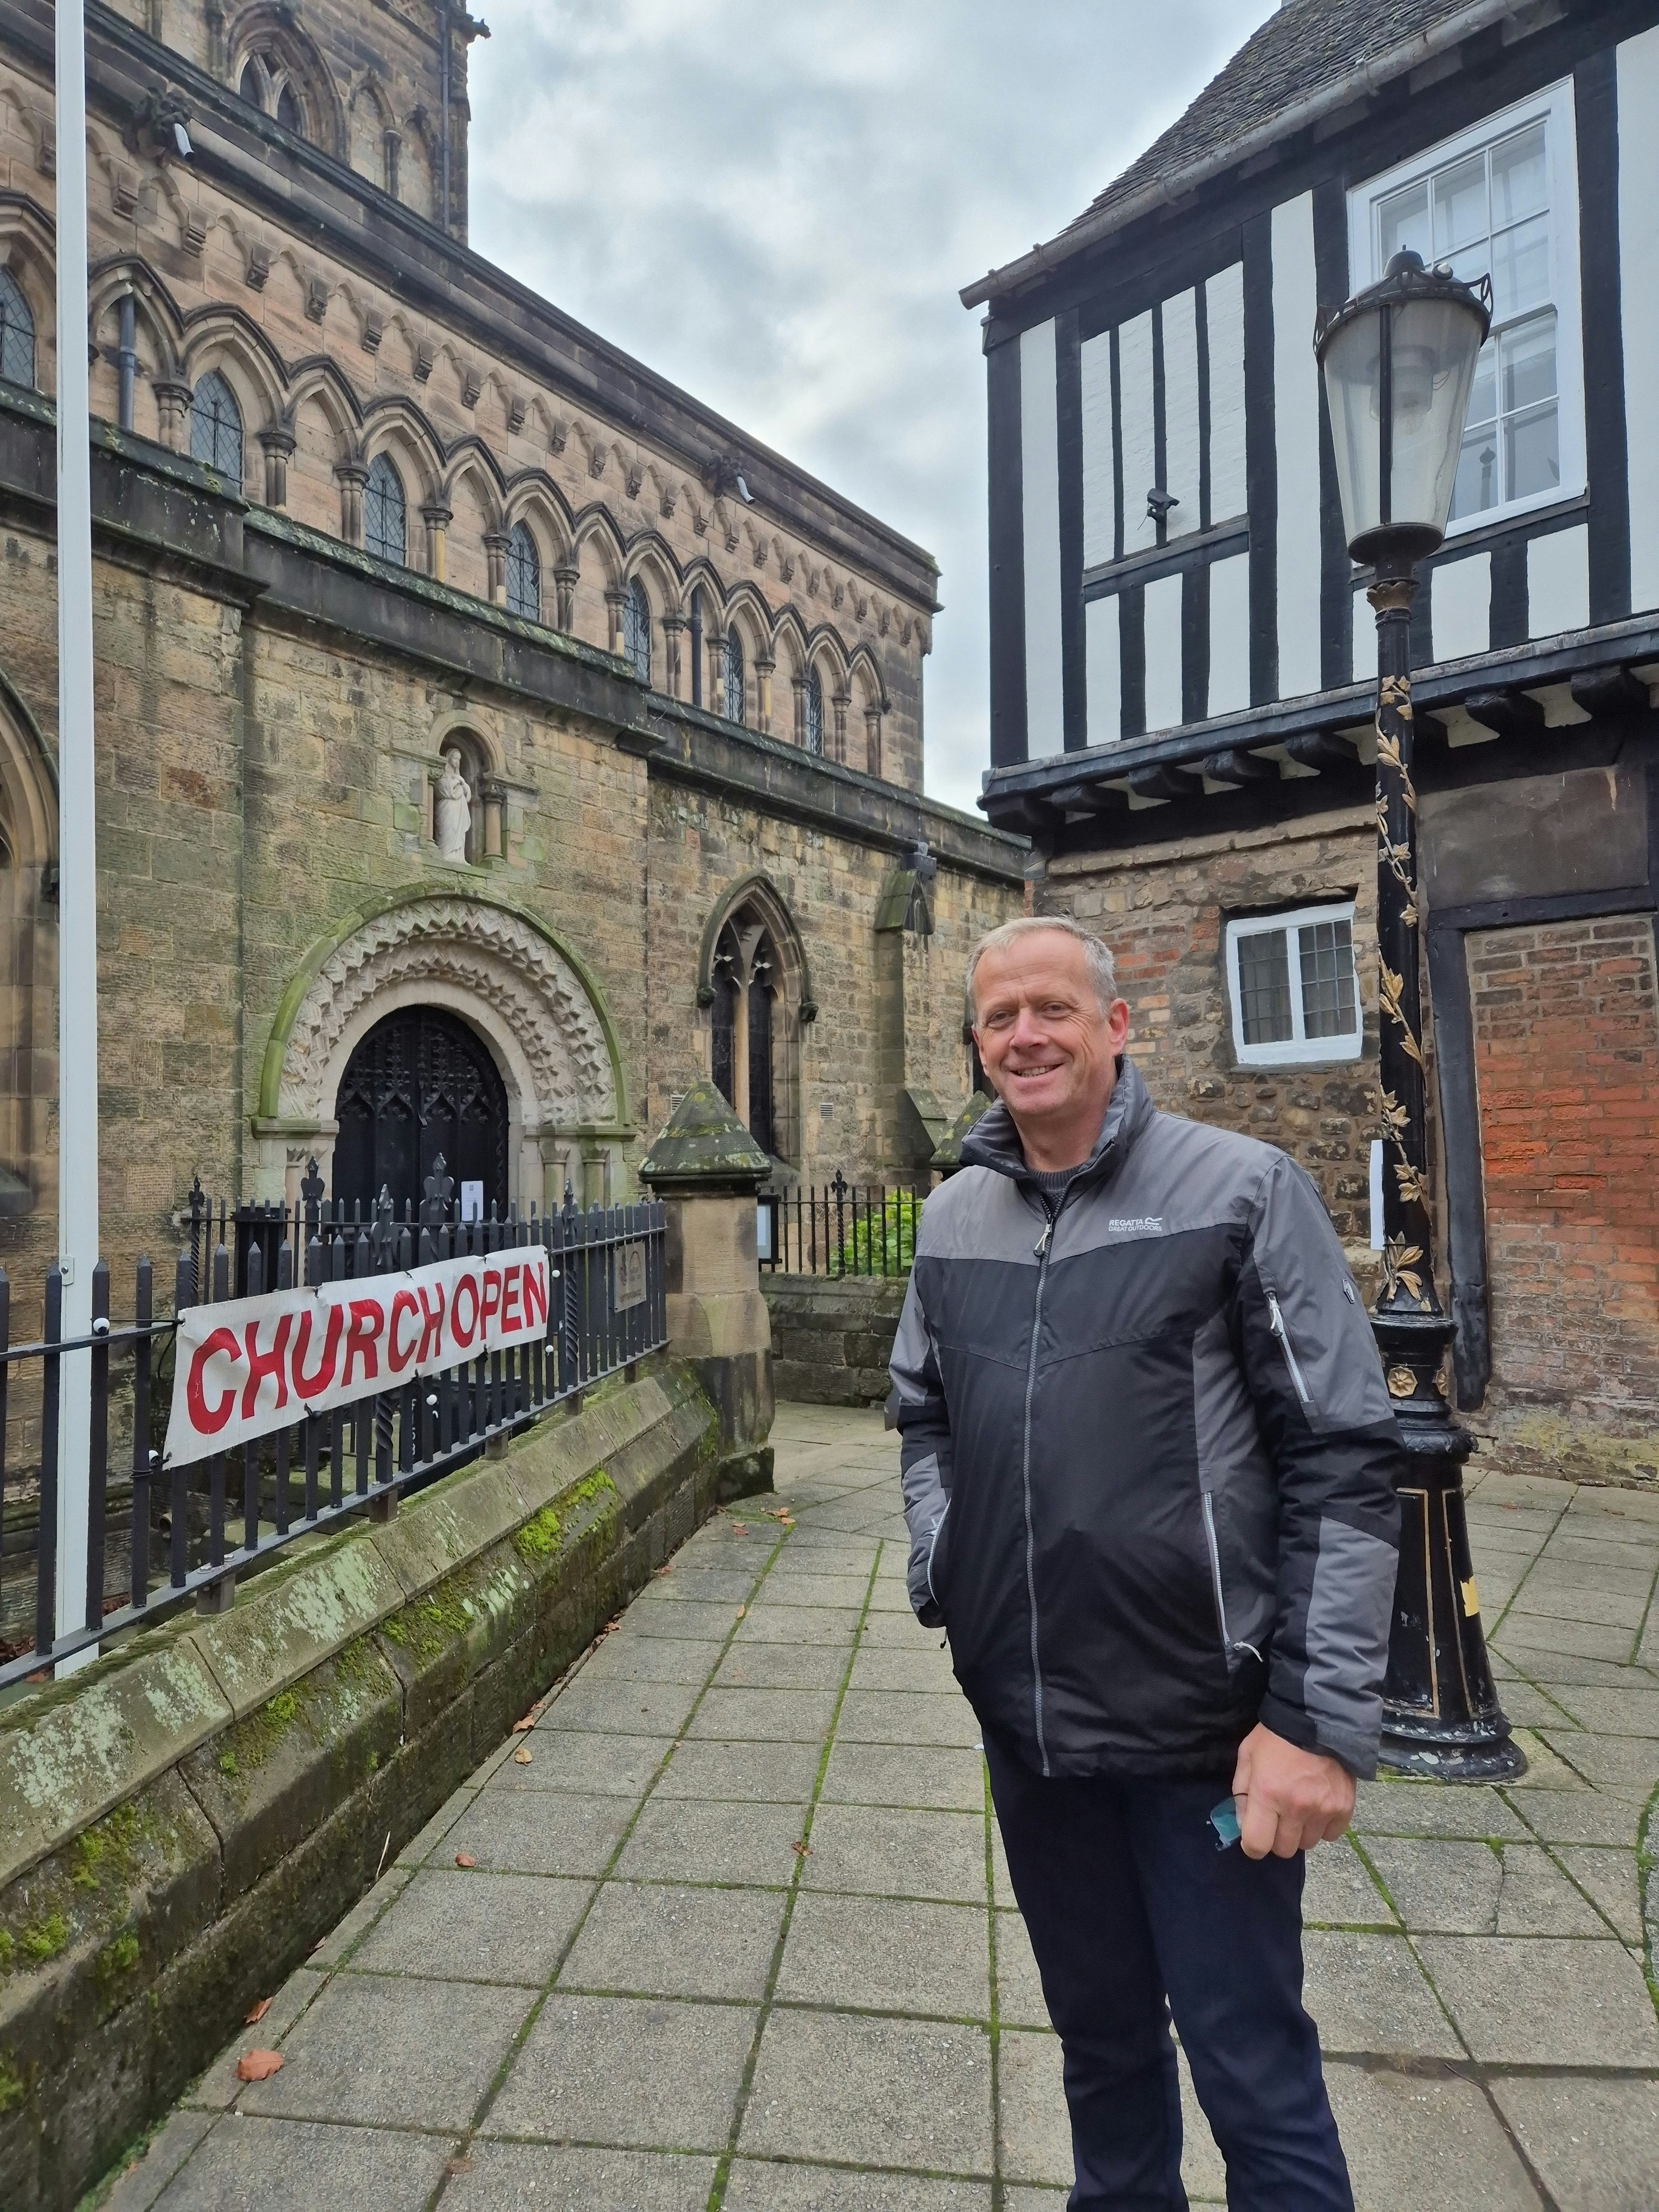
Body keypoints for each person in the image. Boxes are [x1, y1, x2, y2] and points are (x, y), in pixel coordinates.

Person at [891, 915, 1403, 2212]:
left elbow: (1344, 1454)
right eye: (1000, 1017)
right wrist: (942, 1567)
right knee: (1102, 2055)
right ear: (977, 1043)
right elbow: (922, 1411)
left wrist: (1310, 1721)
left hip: (1207, 1743)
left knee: (1253, 2075)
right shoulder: (953, 1215)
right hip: (1033, 1734)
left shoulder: (1240, 1188)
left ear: (1118, 1026)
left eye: (1053, 1009)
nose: (1026, 1036)